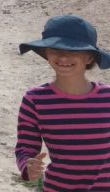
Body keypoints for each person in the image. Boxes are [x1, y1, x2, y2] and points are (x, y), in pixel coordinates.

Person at [16, 15, 110, 190]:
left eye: (73, 50)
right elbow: (25, 146)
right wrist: (27, 166)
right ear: (46, 53)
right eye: (55, 50)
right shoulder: (35, 99)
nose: (63, 57)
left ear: (89, 58)